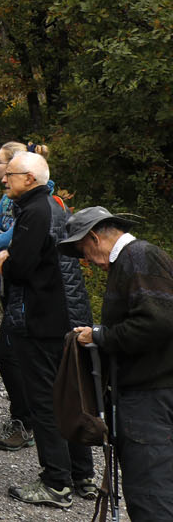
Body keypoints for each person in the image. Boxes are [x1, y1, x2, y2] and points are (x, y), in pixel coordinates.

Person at [63, 206, 173, 522]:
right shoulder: (135, 259)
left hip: (151, 397)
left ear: (94, 237)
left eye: (83, 250)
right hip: (150, 392)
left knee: (151, 493)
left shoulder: (137, 258)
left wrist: (100, 336)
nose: (87, 261)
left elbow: (158, 323)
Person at [0, 151, 77, 507]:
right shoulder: (55, 206)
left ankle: (56, 482)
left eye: (10, 174)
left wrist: (5, 261)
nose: (4, 179)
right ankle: (82, 476)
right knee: (66, 397)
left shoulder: (34, 210)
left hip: (37, 317)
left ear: (30, 178)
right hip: (57, 313)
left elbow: (23, 266)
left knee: (44, 401)